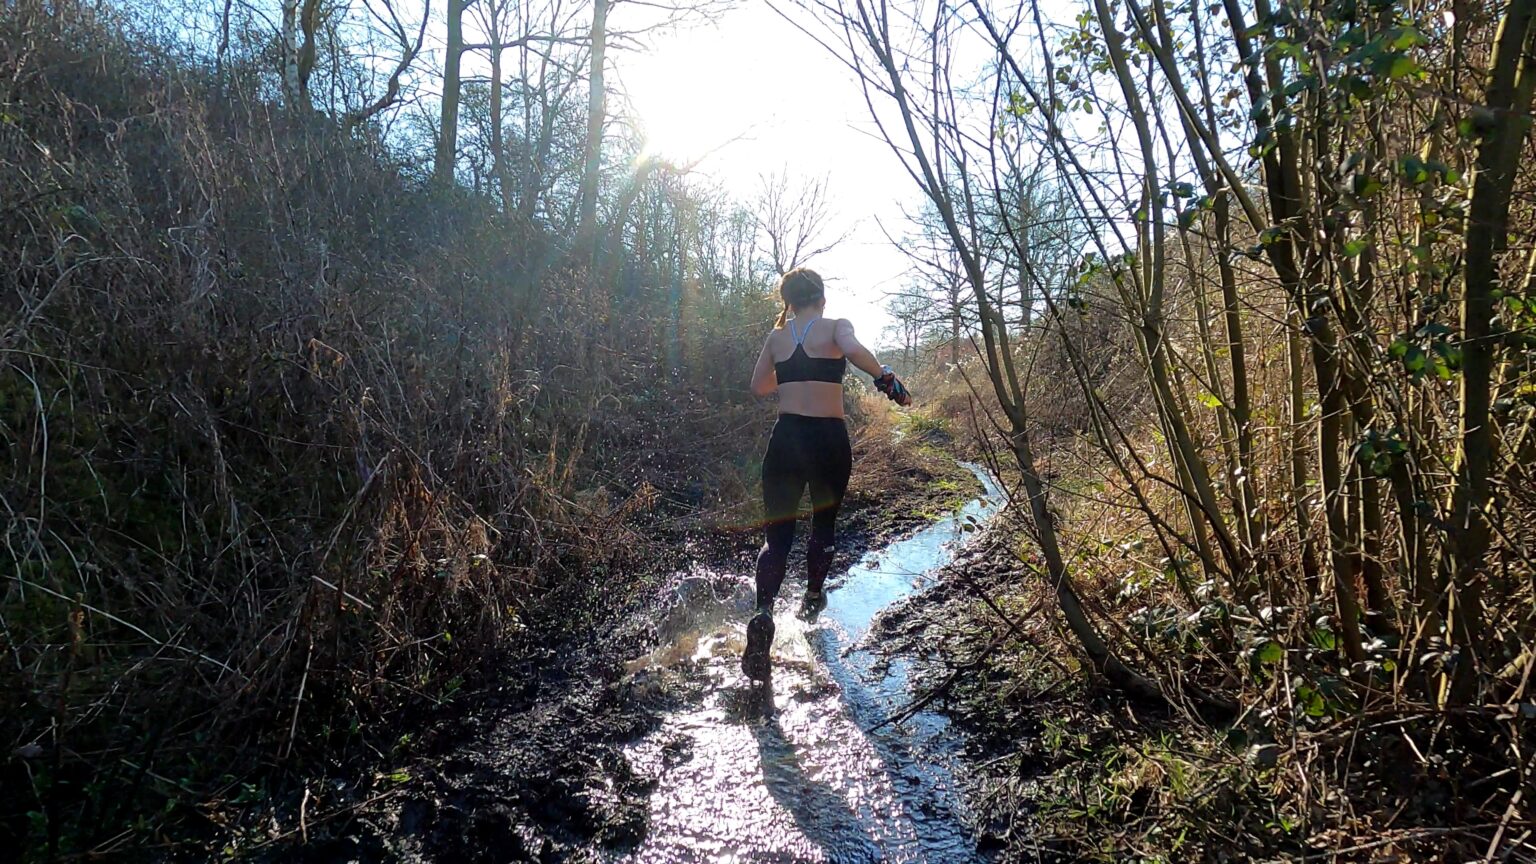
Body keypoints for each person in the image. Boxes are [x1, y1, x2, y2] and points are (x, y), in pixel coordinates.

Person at [742, 267, 911, 683]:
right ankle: (812, 596)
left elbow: (758, 387)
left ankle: (764, 611)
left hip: (785, 440)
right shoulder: (836, 326)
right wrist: (884, 377)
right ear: (821, 297)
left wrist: (789, 371)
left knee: (776, 537)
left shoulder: (777, 337)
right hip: (827, 442)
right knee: (824, 528)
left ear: (789, 301)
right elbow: (854, 351)